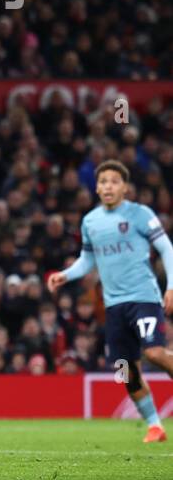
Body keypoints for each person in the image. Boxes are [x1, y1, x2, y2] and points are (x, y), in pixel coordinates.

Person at [47, 159, 173, 443]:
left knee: (153, 353)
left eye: (114, 181)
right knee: (125, 370)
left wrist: (172, 287)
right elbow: (87, 260)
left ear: (124, 187)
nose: (108, 186)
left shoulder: (140, 214)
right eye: (103, 182)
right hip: (113, 305)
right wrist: (64, 276)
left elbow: (166, 248)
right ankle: (155, 425)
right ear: (97, 187)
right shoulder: (91, 221)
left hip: (143, 297)